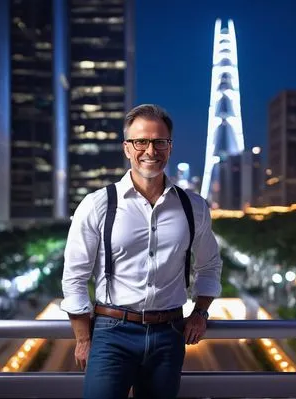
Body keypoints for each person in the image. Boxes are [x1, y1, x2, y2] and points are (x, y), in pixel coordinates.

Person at [61, 104, 222, 399]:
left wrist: (200, 312)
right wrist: (83, 338)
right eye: (141, 142)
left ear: (170, 147)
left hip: (170, 334)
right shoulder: (98, 204)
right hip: (111, 334)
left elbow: (210, 266)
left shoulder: (193, 207)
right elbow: (74, 276)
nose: (151, 150)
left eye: (160, 142)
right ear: (127, 148)